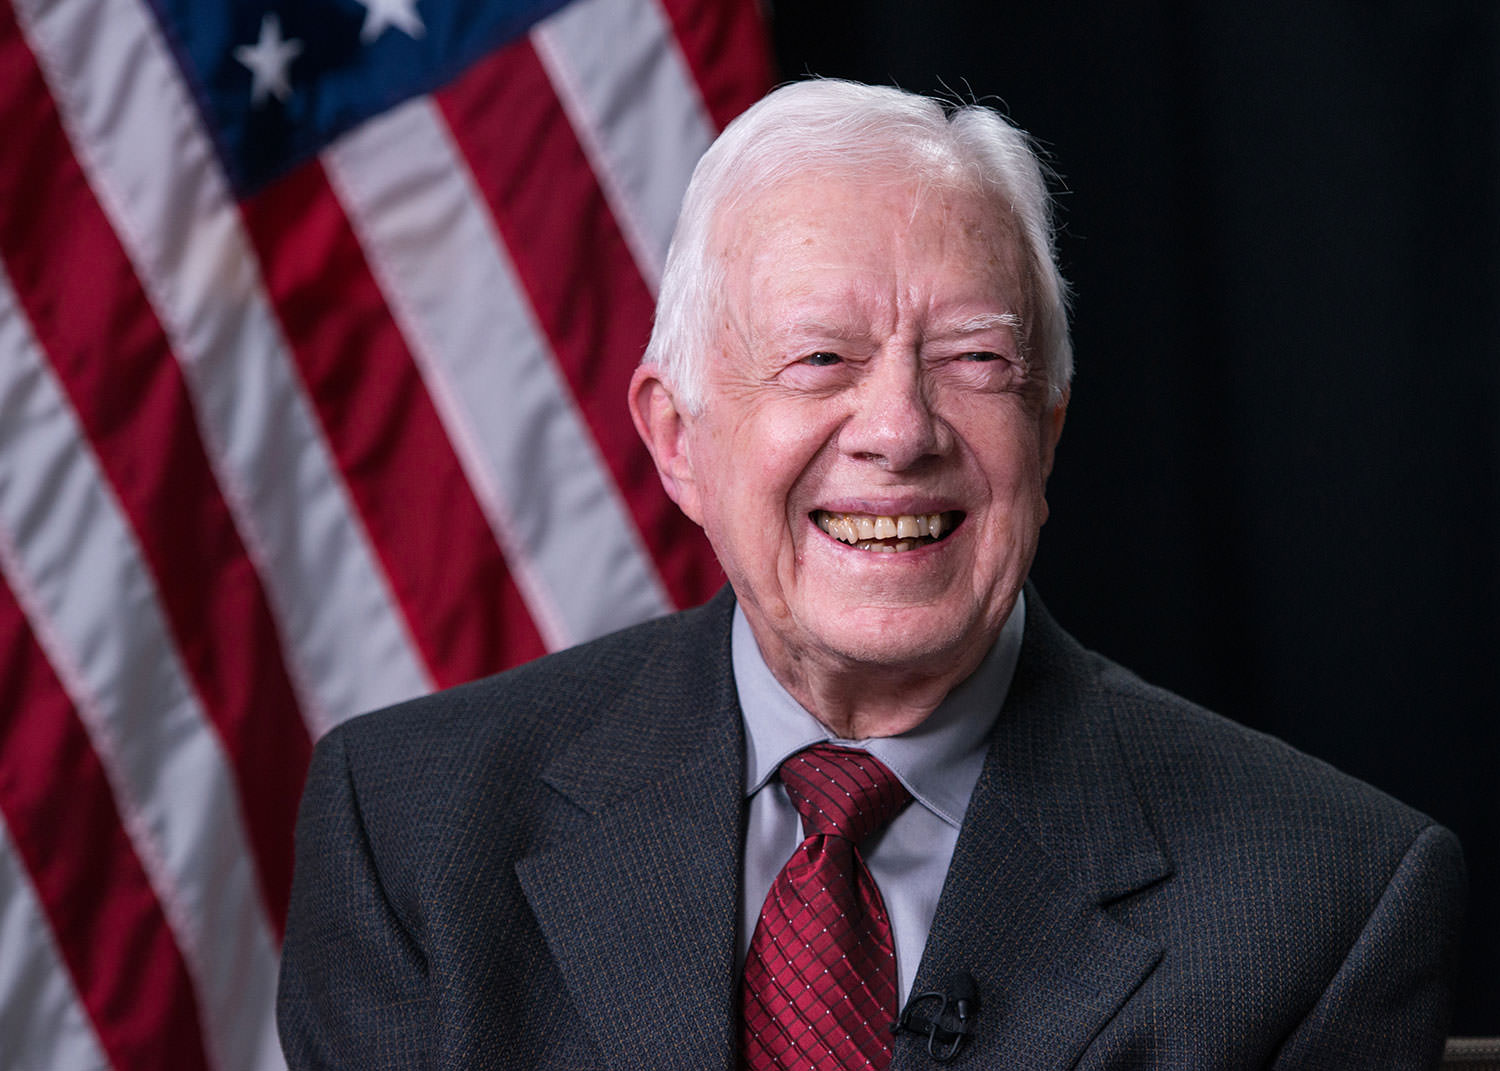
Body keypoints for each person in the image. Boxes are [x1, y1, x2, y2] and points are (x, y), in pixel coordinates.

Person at [277, 79, 1465, 1069]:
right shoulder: (413, 830)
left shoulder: (1329, 900)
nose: (898, 429)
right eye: (820, 357)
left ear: (1047, 431)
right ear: (678, 438)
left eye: (974, 358)